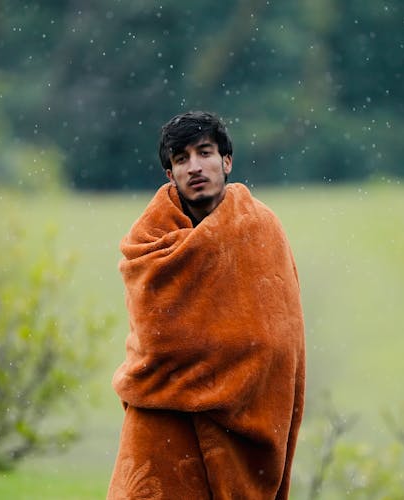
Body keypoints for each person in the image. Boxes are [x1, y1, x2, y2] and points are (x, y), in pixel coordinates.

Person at [107, 111, 305, 499]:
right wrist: (214, 358)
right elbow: (158, 343)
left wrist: (218, 369)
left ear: (226, 161)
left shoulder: (261, 230)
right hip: (162, 426)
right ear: (170, 174)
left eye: (205, 152)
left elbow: (277, 342)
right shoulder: (147, 243)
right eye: (181, 159)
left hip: (241, 426)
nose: (195, 166)